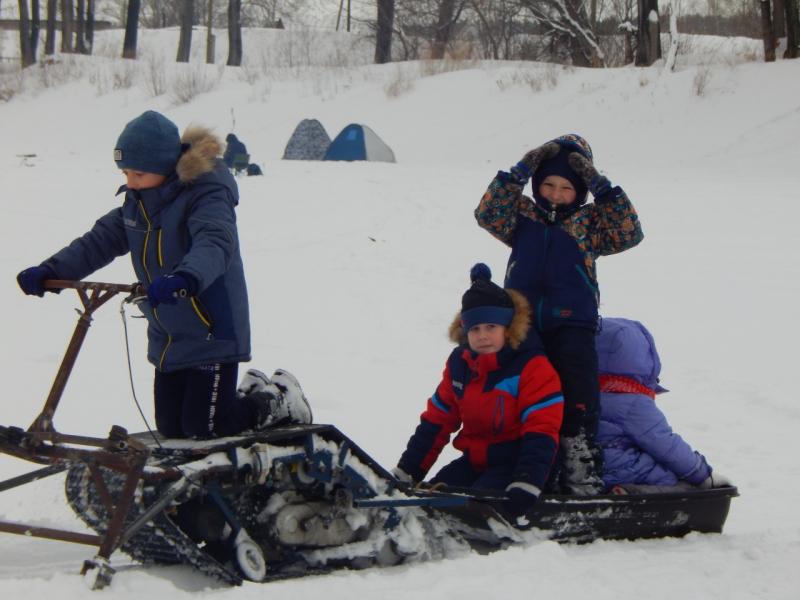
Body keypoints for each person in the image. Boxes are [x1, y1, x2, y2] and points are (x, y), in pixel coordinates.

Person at [16, 110, 309, 439]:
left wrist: (186, 278)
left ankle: (279, 399)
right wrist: (50, 270)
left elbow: (214, 243)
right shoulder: (137, 204)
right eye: (126, 173)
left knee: (204, 427)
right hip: (169, 332)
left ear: (165, 165)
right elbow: (97, 243)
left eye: (138, 173)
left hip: (210, 328)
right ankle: (246, 394)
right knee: (171, 429)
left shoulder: (207, 195)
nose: (130, 182)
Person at [475, 133, 644, 495]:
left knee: (577, 393)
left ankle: (580, 468)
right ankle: (533, 468)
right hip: (522, 324)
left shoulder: (590, 222)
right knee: (528, 394)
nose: (555, 194)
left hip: (574, 323)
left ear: (580, 191)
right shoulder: (522, 215)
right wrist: (519, 171)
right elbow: (487, 214)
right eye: (548, 184)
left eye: (566, 187)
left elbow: (629, 234)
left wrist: (603, 188)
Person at [394, 263, 564, 525]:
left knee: (476, 508)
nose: (482, 336)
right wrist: (407, 472)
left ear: (508, 328)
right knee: (434, 498)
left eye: (491, 326)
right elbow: (437, 421)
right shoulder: (460, 365)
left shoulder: (532, 367)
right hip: (474, 461)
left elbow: (542, 429)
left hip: (515, 465)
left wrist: (527, 482)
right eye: (475, 329)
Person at [595, 317, 731, 493]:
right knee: (671, 480)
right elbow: (665, 444)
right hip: (621, 470)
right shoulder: (632, 402)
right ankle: (630, 492)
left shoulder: (584, 393)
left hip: (589, 467)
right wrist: (702, 474)